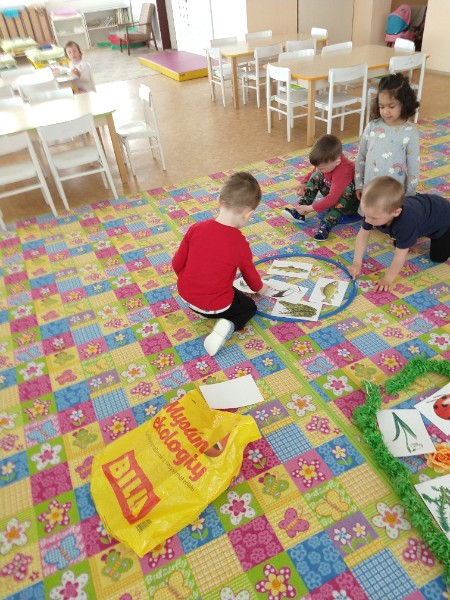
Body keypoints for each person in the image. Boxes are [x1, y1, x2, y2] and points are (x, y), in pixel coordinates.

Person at [172, 172, 269, 356]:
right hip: (216, 306)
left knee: (227, 290)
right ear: (248, 215)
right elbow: (251, 279)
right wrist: (262, 289)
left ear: (218, 201)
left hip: (186, 297)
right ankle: (228, 325)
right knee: (248, 306)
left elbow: (177, 263)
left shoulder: (196, 228)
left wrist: (192, 282)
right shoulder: (240, 244)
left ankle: (206, 310)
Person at [349, 176, 450, 292]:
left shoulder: (405, 224)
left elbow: (400, 256)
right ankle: (416, 232)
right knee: (402, 240)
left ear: (396, 212)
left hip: (444, 218)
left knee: (438, 258)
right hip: (423, 213)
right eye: (366, 214)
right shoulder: (373, 213)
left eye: (373, 218)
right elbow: (362, 236)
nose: (367, 220)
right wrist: (356, 263)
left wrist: (387, 280)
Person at [281, 134, 360, 242]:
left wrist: (310, 208)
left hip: (351, 207)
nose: (318, 169)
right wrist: (303, 184)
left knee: (347, 189)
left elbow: (332, 198)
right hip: (333, 197)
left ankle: (327, 223)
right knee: (317, 176)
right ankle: (300, 211)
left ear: (337, 162)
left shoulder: (345, 169)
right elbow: (314, 172)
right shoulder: (327, 163)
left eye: (321, 168)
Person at [355, 73, 420, 203]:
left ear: (405, 103)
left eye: (391, 106)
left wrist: (410, 195)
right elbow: (361, 157)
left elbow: (414, 167)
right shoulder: (372, 127)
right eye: (381, 106)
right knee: (369, 214)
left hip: (393, 194)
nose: (385, 111)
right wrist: (358, 184)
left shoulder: (410, 132)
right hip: (370, 189)